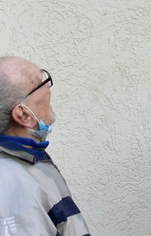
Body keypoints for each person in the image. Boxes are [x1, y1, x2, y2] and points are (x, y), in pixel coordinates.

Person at [0, 56, 91, 236]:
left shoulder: (29, 158)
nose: (48, 88)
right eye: (41, 83)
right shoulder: (9, 183)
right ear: (23, 115)